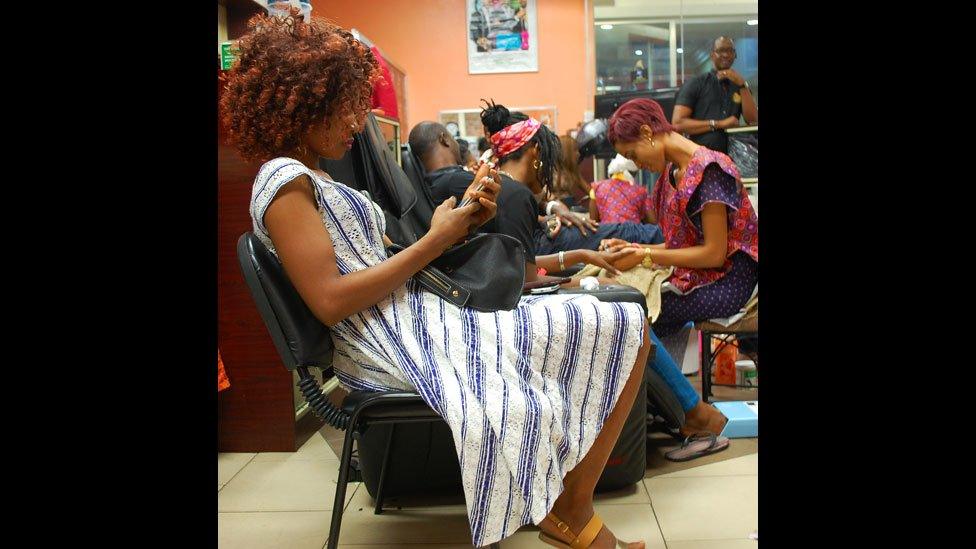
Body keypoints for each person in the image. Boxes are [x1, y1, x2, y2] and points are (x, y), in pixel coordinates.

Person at [221, 11, 648, 549]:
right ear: (300, 102)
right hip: (387, 343)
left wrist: (460, 220)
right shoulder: (284, 182)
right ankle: (571, 511)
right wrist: (435, 240)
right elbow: (330, 301)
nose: (356, 125)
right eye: (342, 108)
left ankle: (571, 507)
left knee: (626, 322)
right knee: (620, 321)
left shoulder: (310, 175)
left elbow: (370, 266)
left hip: (408, 321)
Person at [604, 97, 759, 431]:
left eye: (632, 155)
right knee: (629, 312)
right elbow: (678, 246)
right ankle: (667, 408)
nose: (636, 164)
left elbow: (714, 254)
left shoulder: (709, 170)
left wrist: (645, 255)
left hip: (731, 280)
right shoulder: (671, 174)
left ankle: (694, 413)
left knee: (634, 317)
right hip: (703, 273)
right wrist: (633, 247)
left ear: (647, 133)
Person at [411, 119, 635, 281]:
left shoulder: (439, 183)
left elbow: (518, 266)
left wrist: (582, 254)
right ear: (536, 151)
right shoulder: (506, 191)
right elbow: (526, 280)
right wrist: (593, 283)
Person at [672, 36, 758, 154]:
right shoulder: (696, 83)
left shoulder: (739, 84)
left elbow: (753, 120)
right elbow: (678, 123)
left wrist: (742, 85)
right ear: (712, 55)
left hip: (733, 160)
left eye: (729, 50)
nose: (726, 55)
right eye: (721, 50)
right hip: (702, 158)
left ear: (735, 54)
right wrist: (719, 124)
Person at [589, 154, 655, 225]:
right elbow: (652, 222)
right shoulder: (641, 191)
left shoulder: (597, 188)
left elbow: (593, 222)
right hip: (633, 233)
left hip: (607, 233)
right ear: (632, 173)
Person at [550, 135, 592, 210]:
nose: (578, 154)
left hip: (569, 208)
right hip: (554, 209)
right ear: (566, 152)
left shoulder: (573, 172)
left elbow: (590, 191)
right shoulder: (549, 171)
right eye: (575, 150)